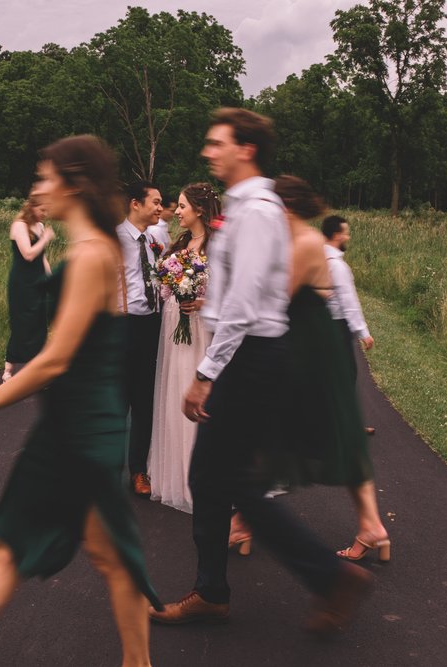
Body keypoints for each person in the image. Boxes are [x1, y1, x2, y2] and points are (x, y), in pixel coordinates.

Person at [0, 136, 160, 667]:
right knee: (104, 554)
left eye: (46, 177)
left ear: (74, 184)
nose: (38, 187)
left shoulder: (93, 253)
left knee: (20, 540)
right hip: (78, 423)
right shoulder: (95, 248)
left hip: (78, 431)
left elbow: (56, 359)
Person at [150, 108, 372, 635]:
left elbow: (243, 305)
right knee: (218, 479)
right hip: (253, 357)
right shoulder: (250, 207)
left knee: (224, 480)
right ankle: (220, 590)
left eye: (217, 144)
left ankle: (322, 577)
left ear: (245, 149)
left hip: (251, 358)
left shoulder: (254, 212)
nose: (209, 152)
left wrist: (205, 373)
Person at [321, 214, 390, 561]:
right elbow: (348, 302)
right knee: (342, 377)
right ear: (336, 234)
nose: (348, 235)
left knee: (339, 378)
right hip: (333, 328)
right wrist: (363, 331)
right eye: (346, 231)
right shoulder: (336, 264)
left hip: (324, 329)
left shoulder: (320, 257)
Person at [148, 183, 219, 514]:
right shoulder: (179, 245)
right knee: (176, 390)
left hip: (202, 329)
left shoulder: (216, 247)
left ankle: (205, 478)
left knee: (199, 395)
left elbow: (228, 292)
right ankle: (179, 474)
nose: (175, 212)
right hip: (176, 326)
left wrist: (203, 301)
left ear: (200, 210)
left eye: (181, 206)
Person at [117, 181, 170, 496]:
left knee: (144, 401)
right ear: (135, 203)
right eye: (156, 202)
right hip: (122, 324)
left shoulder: (154, 239)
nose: (160, 208)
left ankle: (139, 470)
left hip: (152, 324)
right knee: (116, 400)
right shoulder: (114, 237)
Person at [1, 196, 54, 383]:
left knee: (39, 320)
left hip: (38, 280)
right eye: (42, 210)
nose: (45, 214)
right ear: (32, 208)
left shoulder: (39, 227)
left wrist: (51, 278)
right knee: (22, 322)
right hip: (22, 282)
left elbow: (42, 257)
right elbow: (29, 254)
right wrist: (46, 239)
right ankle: (9, 368)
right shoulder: (19, 225)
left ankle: (36, 366)